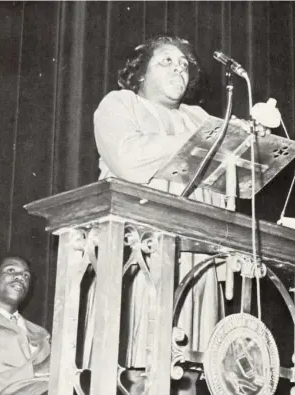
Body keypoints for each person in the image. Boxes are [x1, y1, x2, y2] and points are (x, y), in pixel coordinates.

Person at [92, 34, 227, 394]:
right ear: (140, 73)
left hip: (196, 252)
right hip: (141, 248)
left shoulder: (198, 117)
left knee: (191, 365)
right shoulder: (120, 104)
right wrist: (202, 144)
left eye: (183, 65)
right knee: (140, 359)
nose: (178, 69)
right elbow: (128, 157)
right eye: (166, 61)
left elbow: (231, 175)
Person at [0, 255, 51, 395]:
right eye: (11, 270)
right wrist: (34, 371)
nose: (20, 277)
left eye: (26, 275)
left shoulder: (41, 333)